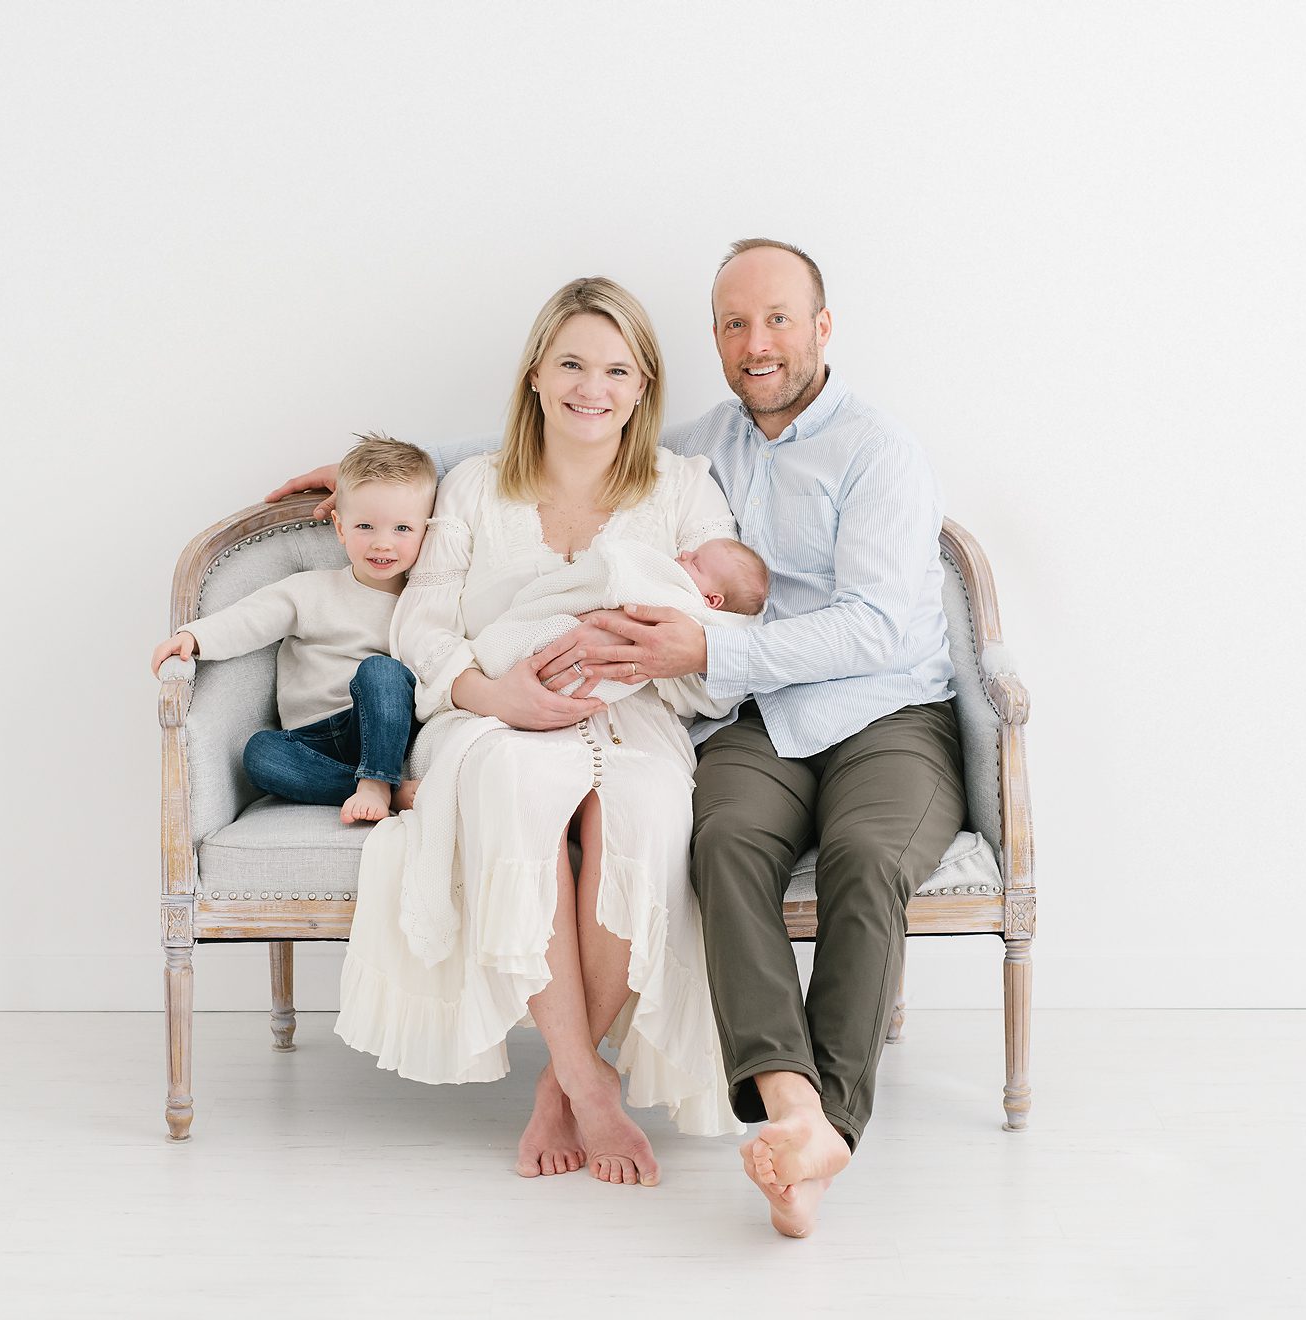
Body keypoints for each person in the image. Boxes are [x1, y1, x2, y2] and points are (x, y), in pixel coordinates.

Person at [268, 240, 964, 1238]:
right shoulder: (649, 454)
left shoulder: (817, 459)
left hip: (825, 708)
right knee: (616, 813)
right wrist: (385, 484)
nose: (756, 343)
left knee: (737, 827)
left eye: (776, 320)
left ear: (821, 327)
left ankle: (760, 1114)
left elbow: (835, 626)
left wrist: (679, 650)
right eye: (734, 323)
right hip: (601, 708)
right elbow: (462, 559)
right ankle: (619, 1090)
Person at [331, 277, 747, 1188]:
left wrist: (651, 655)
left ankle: (562, 1088)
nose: (590, 387)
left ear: (642, 389)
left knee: (641, 809)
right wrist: (493, 693)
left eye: (615, 370)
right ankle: (595, 1095)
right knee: (517, 788)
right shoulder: (475, 487)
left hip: (630, 710)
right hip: (493, 709)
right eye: (570, 363)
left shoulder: (681, 488)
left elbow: (722, 624)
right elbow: (422, 626)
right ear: (534, 373)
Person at [153, 434, 434, 823]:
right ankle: (385, 789)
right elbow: (252, 617)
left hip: (378, 732)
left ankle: (376, 779)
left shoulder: (423, 603)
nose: (382, 544)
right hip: (310, 740)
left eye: (402, 529)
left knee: (380, 671)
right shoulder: (311, 590)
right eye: (365, 526)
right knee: (259, 754)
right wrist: (195, 637)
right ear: (340, 527)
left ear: (427, 531)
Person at [465, 535, 767, 707]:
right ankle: (499, 663)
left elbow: (716, 674)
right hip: (564, 632)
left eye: (695, 561)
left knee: (553, 641)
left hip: (610, 691)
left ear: (712, 601)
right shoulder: (675, 578)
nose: (684, 552)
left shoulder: (692, 611)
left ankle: (500, 658)